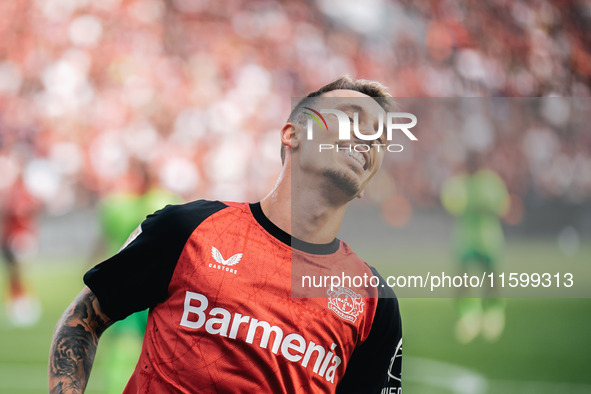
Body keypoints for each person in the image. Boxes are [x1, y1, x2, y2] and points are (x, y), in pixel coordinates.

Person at [48, 76, 403, 393]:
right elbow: (84, 320)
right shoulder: (186, 229)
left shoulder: (374, 304)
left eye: (380, 138)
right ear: (292, 134)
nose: (368, 138)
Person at [441, 151, 509, 343]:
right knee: (463, 280)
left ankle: (493, 313)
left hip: (488, 238)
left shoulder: (490, 181)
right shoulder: (459, 183)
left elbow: (502, 205)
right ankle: (468, 315)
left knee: (491, 278)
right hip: (466, 238)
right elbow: (451, 203)